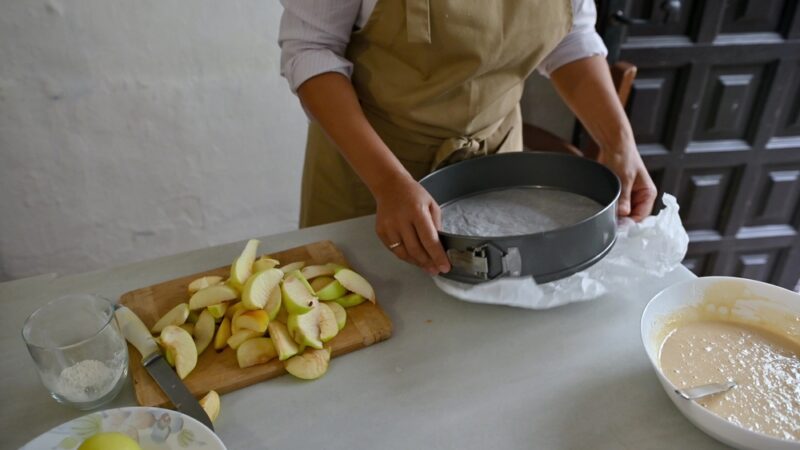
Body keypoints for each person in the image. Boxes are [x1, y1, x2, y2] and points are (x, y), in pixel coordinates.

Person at [279, 0, 657, 276]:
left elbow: (569, 34)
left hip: (498, 166)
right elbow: (312, 49)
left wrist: (618, 141)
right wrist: (388, 184)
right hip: (372, 173)